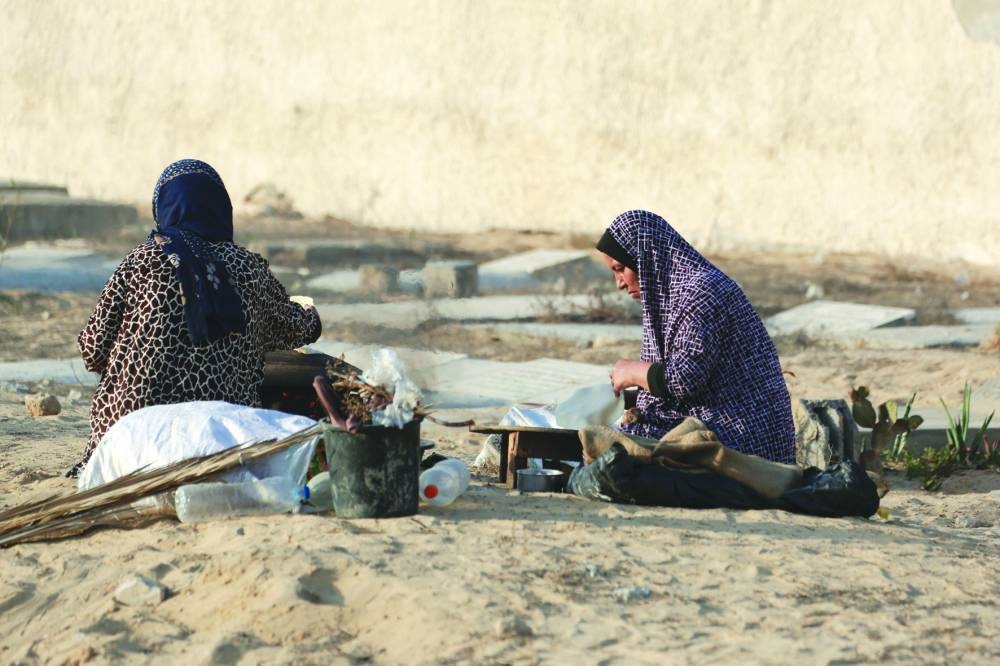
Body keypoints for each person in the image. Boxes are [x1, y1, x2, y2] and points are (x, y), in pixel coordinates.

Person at [72, 159, 322, 476]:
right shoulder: (248, 267)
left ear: (163, 206)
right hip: (223, 443)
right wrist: (309, 314)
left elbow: (92, 349)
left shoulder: (143, 259)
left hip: (133, 439)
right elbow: (298, 329)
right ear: (220, 207)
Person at [597, 209, 796, 464]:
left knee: (617, 457)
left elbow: (684, 379)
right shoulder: (674, 295)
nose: (619, 283)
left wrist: (632, 372)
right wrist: (627, 397)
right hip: (720, 423)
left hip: (744, 437)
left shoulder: (701, 292)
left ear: (648, 258)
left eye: (621, 268)